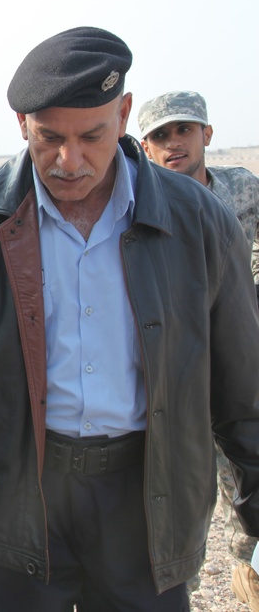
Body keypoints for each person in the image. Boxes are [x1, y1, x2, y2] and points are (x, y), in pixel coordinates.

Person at [0, 26, 259, 610]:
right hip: (18, 499)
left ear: (125, 113)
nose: (70, 160)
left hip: (147, 499)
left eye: (92, 136)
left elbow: (244, 387)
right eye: (49, 137)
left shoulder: (200, 223)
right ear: (21, 125)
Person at [138, 90, 259, 609]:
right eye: (160, 136)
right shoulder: (139, 199)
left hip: (234, 363)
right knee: (172, 500)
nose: (174, 144)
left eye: (183, 131)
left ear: (206, 135)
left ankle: (248, 569)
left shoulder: (242, 190)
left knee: (249, 476)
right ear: (144, 146)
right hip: (176, 375)